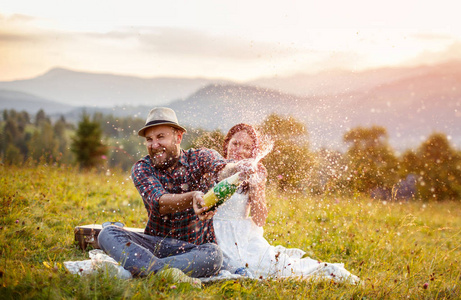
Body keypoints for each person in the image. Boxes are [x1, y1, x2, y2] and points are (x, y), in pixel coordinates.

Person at [98, 108, 253, 283]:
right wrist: (192, 197)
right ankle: (161, 273)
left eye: (160, 137)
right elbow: (160, 202)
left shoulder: (200, 157)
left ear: (178, 137)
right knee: (107, 233)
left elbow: (222, 170)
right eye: (149, 139)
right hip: (156, 244)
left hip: (194, 250)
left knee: (214, 255)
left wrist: (237, 170)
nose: (154, 145)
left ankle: (144, 271)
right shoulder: (142, 168)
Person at [213, 123, 360, 283]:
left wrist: (256, 186)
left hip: (242, 237)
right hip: (213, 233)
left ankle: (331, 272)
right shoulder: (211, 166)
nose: (240, 150)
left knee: (273, 268)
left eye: (247, 148)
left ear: (252, 153)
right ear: (227, 143)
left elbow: (260, 219)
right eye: (235, 143)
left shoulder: (253, 175)